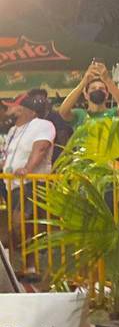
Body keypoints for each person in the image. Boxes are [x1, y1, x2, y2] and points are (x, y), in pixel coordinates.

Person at [1, 91, 55, 251]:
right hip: (13, 185)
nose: (11, 109)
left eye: (17, 106)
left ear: (28, 110)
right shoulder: (13, 131)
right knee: (19, 225)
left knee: (21, 223)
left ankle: (34, 262)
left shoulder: (42, 125)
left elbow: (41, 148)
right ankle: (29, 267)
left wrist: (27, 169)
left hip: (31, 183)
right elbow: (9, 157)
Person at [59, 61, 119, 127]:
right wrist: (84, 81)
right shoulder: (80, 115)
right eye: (93, 88)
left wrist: (107, 80)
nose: (97, 90)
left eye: (101, 88)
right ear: (86, 95)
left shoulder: (113, 113)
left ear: (107, 95)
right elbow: (63, 112)